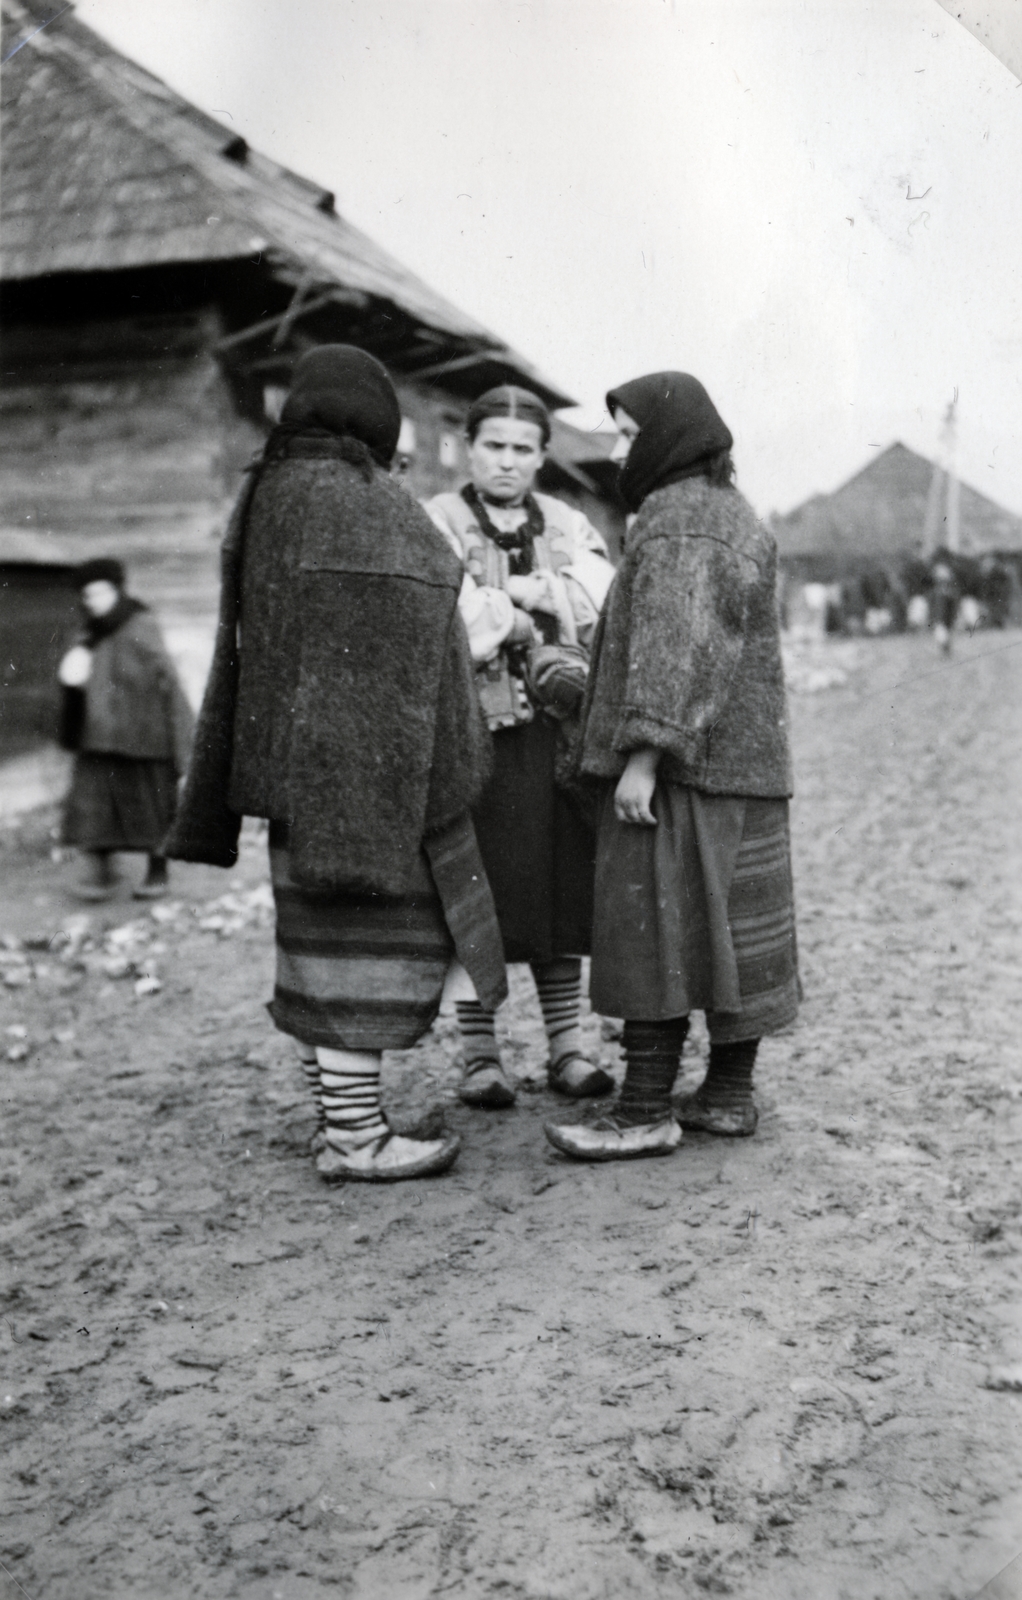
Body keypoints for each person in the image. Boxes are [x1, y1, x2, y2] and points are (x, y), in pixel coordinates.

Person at [166, 345, 507, 1183]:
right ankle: (356, 1140)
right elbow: (429, 590)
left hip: (297, 773)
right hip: (374, 782)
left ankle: (340, 1126)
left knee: (318, 949)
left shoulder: (270, 490)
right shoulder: (361, 499)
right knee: (362, 952)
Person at [545, 372, 800, 1163]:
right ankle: (726, 1097)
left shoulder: (679, 520)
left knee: (651, 930)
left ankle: (645, 1110)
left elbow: (678, 645)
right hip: (744, 771)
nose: (621, 449)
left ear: (670, 436)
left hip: (687, 774)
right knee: (734, 933)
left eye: (628, 434)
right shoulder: (730, 514)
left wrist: (643, 755)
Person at [425, 386, 617, 1110]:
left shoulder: (568, 522)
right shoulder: (437, 520)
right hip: (472, 741)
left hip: (553, 739)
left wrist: (526, 591)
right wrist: (536, 605)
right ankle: (481, 1056)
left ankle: (568, 1046)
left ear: (542, 457)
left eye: (522, 449)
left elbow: (599, 597)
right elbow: (451, 616)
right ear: (470, 447)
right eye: (493, 446)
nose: (507, 462)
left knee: (560, 888)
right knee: (478, 897)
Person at [58, 558, 194, 901]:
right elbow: (78, 681)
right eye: (88, 596)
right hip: (100, 739)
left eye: (101, 593)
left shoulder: (141, 625)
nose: (95, 602)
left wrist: (185, 744)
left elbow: (169, 683)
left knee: (152, 808)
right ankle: (102, 874)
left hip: (145, 738)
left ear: (117, 591)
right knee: (94, 807)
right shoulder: (88, 633)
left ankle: (157, 872)